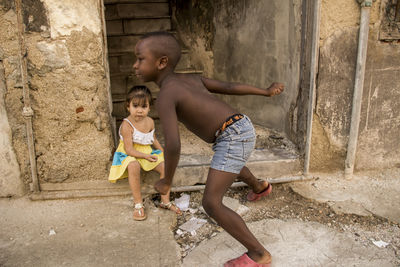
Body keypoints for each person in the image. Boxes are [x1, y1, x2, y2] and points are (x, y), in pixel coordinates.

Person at [133, 31, 283, 266]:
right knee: (226, 161)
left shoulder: (165, 96)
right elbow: (229, 86)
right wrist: (264, 91)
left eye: (140, 59)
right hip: (238, 126)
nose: (135, 65)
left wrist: (166, 181)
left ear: (161, 62)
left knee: (211, 203)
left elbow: (173, 144)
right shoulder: (190, 79)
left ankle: (258, 254)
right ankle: (259, 186)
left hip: (232, 134)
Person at [108, 85, 181, 221]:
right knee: (133, 165)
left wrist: (163, 152)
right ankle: (138, 204)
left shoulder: (150, 122)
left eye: (144, 106)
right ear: (128, 106)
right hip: (128, 154)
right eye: (135, 106)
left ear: (149, 108)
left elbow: (152, 138)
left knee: (166, 166)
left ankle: (165, 201)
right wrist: (146, 156)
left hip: (145, 151)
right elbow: (129, 149)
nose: (139, 111)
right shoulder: (126, 125)